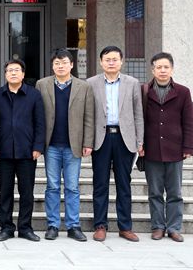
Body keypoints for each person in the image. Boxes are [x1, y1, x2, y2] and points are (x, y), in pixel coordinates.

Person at [35, 49, 94, 242]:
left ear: (72, 65)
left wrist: (88, 142)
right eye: (57, 63)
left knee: (72, 187)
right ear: (52, 66)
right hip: (51, 145)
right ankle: (52, 225)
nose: (60, 66)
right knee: (52, 186)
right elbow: (37, 115)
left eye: (64, 63)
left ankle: (73, 226)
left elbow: (89, 117)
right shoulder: (42, 84)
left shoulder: (84, 87)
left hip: (73, 145)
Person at [87, 46, 144, 242]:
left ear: (121, 61)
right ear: (101, 62)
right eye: (107, 59)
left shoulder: (132, 83)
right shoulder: (91, 83)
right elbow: (88, 115)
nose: (111, 62)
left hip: (124, 138)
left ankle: (125, 227)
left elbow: (138, 114)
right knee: (100, 183)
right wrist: (87, 141)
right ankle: (100, 225)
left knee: (124, 184)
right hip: (101, 138)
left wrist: (140, 140)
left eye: (114, 59)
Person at [0, 59, 45, 242]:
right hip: (4, 151)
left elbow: (40, 123)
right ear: (5, 74)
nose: (13, 73)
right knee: (5, 191)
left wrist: (38, 146)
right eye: (9, 70)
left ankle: (25, 228)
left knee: (27, 192)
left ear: (23, 74)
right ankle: (6, 228)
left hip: (27, 151)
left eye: (16, 70)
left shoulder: (34, 95)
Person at [143, 52, 193, 242]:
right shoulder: (145, 91)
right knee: (155, 192)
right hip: (151, 149)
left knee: (175, 193)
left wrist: (188, 147)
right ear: (153, 70)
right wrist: (140, 144)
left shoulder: (183, 92)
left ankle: (173, 228)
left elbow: (188, 121)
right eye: (159, 67)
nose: (162, 70)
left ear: (172, 69)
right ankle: (157, 227)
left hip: (175, 149)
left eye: (166, 67)